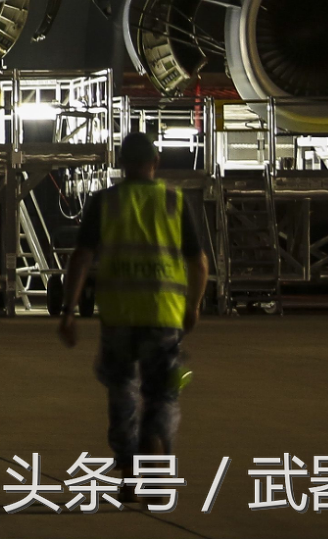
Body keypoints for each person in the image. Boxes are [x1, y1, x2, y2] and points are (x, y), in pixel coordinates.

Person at [59, 130, 210, 498]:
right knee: (162, 394)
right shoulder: (174, 201)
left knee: (121, 389)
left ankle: (128, 468)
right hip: (164, 314)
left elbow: (81, 258)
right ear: (155, 162)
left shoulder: (105, 202)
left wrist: (68, 310)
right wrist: (193, 304)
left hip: (119, 316)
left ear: (121, 164)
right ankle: (155, 462)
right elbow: (198, 261)